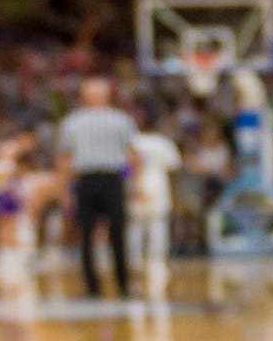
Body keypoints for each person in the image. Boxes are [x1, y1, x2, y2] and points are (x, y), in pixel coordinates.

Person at [58, 77, 139, 298]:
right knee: (97, 234)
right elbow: (133, 157)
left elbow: (132, 156)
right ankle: (107, 286)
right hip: (100, 180)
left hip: (101, 179)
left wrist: (65, 189)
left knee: (103, 234)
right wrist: (65, 189)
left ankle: (107, 286)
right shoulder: (119, 120)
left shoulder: (76, 122)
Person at [128, 119, 181, 291]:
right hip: (157, 189)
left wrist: (134, 184)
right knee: (156, 230)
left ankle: (137, 267)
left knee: (137, 230)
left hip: (140, 189)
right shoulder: (164, 143)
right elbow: (174, 170)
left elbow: (125, 169)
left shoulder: (131, 140)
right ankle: (155, 268)